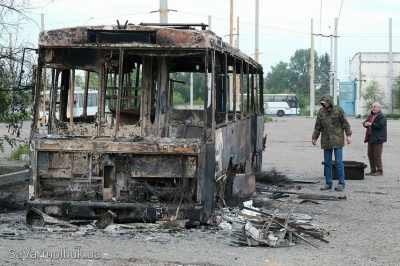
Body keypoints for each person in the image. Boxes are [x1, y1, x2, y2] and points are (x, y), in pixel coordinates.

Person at [312, 94, 352, 191]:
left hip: (337, 139)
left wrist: (348, 135)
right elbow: (318, 126)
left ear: (329, 102)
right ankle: (328, 183)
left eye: (325, 102)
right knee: (327, 163)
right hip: (326, 140)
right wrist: (314, 137)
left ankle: (341, 183)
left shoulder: (338, 110)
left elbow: (345, 123)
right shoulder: (321, 112)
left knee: (338, 162)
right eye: (322, 102)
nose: (323, 104)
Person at [362, 102, 387, 176]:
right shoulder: (371, 115)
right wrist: (364, 123)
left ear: (379, 108)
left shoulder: (382, 116)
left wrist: (370, 124)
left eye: (374, 107)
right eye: (372, 106)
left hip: (378, 139)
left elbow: (380, 126)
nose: (373, 108)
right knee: (370, 155)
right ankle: (373, 170)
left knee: (377, 155)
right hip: (371, 138)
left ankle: (380, 171)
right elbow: (367, 123)